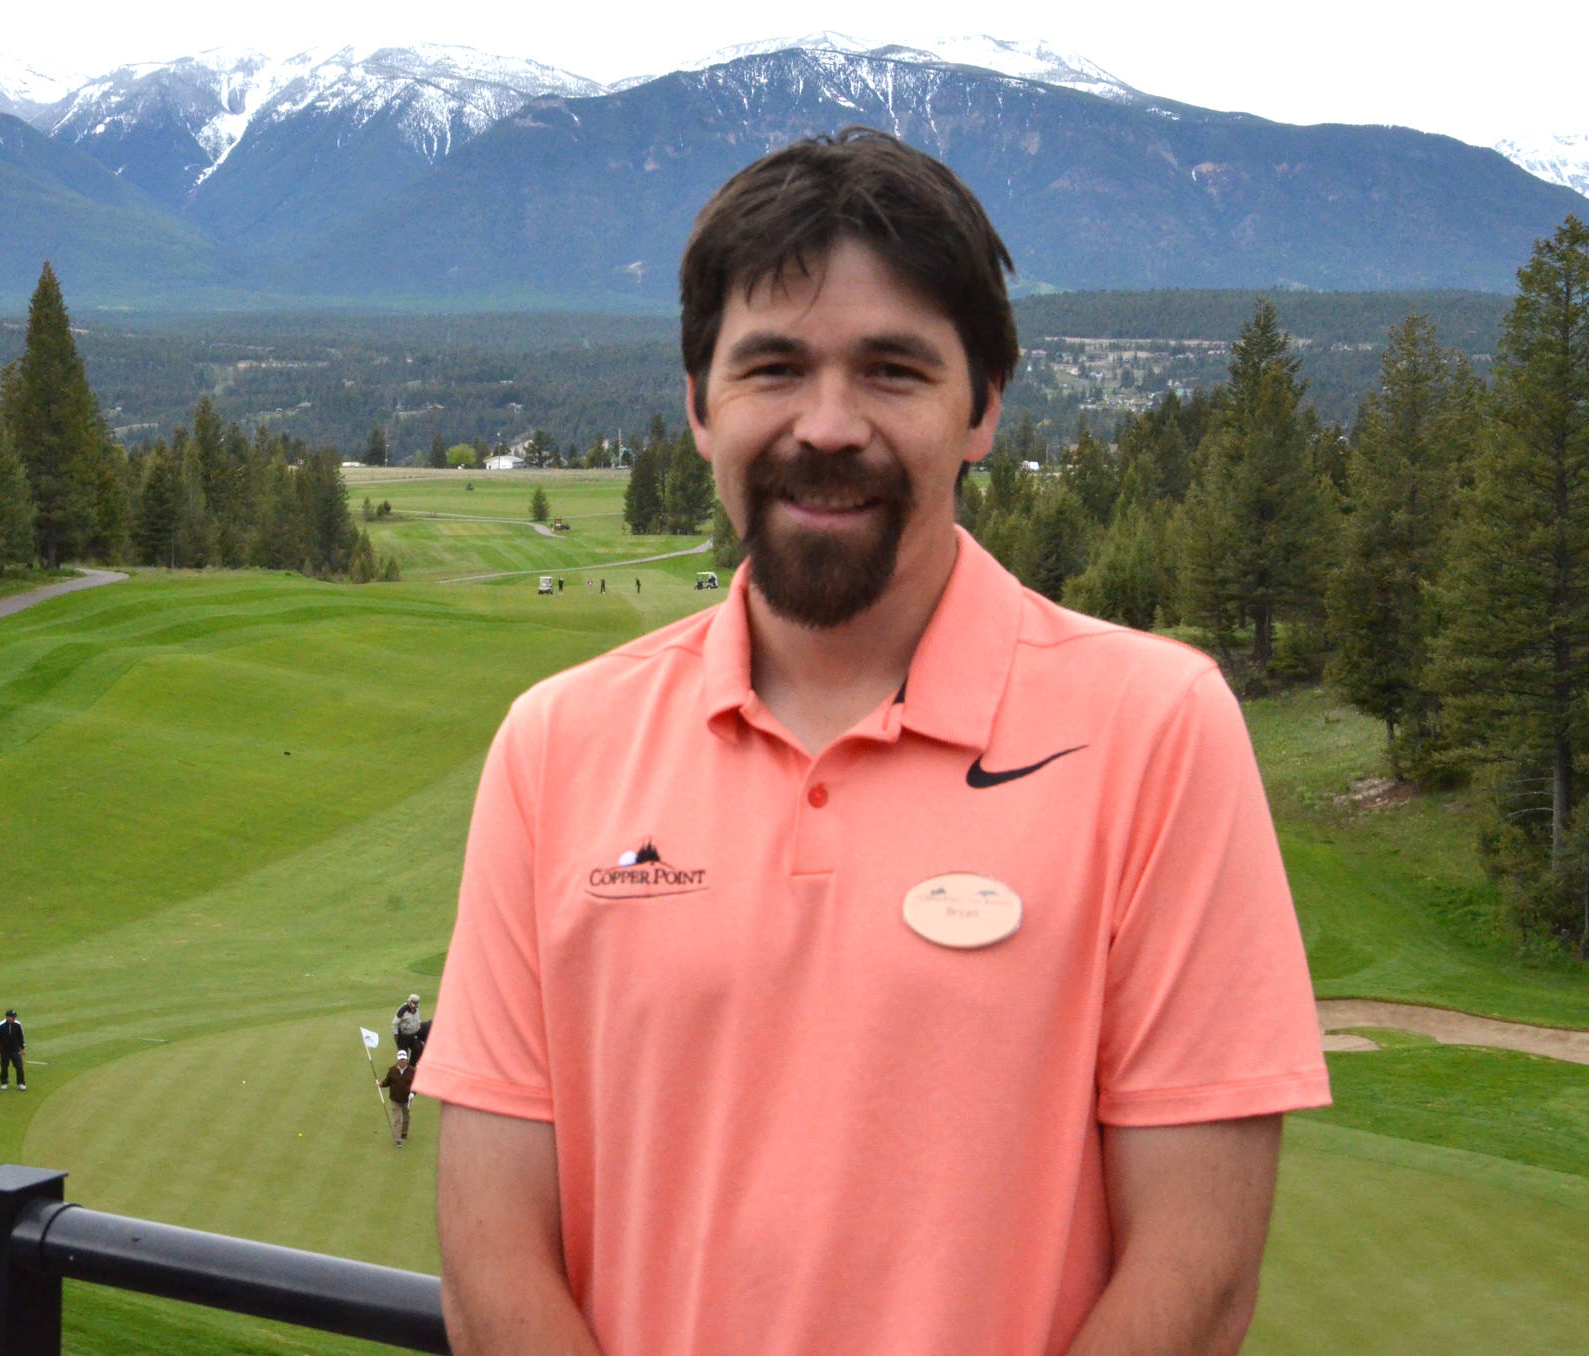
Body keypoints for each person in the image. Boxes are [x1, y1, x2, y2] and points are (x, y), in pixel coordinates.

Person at [415, 127, 1329, 1356]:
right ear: (697, 406)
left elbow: (1196, 1276)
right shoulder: (553, 746)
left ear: (982, 408)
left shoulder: (1155, 730)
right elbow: (490, 1258)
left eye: (891, 370)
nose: (828, 424)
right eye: (772, 369)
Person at [381, 1048, 417, 1146]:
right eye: (400, 1059)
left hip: (406, 1099)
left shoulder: (412, 1071)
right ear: (397, 1060)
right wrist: (380, 1084)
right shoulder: (392, 1070)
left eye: (404, 1059)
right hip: (395, 1099)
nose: (402, 1061)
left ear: (407, 1060)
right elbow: (387, 1081)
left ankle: (404, 1133)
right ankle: (398, 1139)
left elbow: (416, 1084)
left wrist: (413, 1093)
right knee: (397, 1120)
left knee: (406, 1118)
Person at [0, 1009, 26, 1091]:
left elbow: (21, 1037)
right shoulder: (0, 1025)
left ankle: (21, 1083)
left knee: (19, 1067)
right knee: (4, 1067)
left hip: (15, 1050)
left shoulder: (17, 1025)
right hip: (4, 1050)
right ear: (7, 1017)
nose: (14, 1019)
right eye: (12, 1017)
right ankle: (4, 1082)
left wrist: (23, 1048)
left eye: (14, 1017)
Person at [393, 994, 425, 1061]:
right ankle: (403, 1068)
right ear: (409, 1002)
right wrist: (396, 1035)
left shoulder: (417, 1009)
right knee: (403, 1055)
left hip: (414, 1035)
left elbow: (418, 1020)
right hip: (404, 1036)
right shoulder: (402, 1010)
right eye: (414, 1003)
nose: (415, 1006)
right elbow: (395, 1024)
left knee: (418, 1049)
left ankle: (412, 1065)